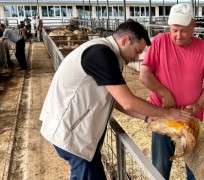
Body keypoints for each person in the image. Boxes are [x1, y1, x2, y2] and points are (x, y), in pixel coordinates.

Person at [39, 19, 192, 180]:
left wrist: (147, 117)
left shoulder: (109, 54)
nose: (136, 57)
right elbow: (128, 101)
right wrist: (168, 114)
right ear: (125, 40)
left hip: (76, 132)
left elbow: (116, 100)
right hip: (72, 134)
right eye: (137, 50)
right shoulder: (101, 54)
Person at [139, 3, 204, 180]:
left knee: (194, 166)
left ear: (193, 25)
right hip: (164, 116)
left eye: (183, 30)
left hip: (191, 119)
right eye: (174, 30)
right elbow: (144, 75)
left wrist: (197, 105)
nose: (178, 35)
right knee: (160, 166)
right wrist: (164, 93)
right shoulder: (160, 41)